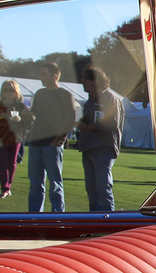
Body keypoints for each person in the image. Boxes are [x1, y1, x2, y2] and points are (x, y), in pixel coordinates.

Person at [24, 61, 77, 212]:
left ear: (55, 76)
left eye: (44, 74)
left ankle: (58, 216)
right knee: (35, 184)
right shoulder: (40, 93)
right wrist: (27, 116)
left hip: (52, 146)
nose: (41, 77)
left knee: (55, 184)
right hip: (35, 143)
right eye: (40, 74)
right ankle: (34, 216)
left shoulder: (66, 95)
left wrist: (59, 140)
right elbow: (35, 114)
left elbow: (71, 120)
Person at [76, 66, 124, 211]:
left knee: (103, 187)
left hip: (103, 147)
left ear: (96, 81)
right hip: (89, 147)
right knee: (91, 187)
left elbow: (112, 123)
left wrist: (88, 127)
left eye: (86, 78)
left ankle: (108, 221)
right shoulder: (90, 100)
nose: (82, 82)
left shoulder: (109, 97)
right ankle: (94, 220)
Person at [0, 81, 26, 197]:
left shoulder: (21, 106)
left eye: (11, 90)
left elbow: (28, 123)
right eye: (5, 90)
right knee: (2, 163)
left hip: (15, 138)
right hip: (1, 138)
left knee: (12, 163)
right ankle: (4, 188)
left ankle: (8, 185)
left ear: (16, 92)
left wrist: (20, 119)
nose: (8, 93)